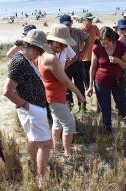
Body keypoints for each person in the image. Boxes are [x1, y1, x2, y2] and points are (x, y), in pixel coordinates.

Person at [3, 29, 52, 189]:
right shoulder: (20, 62)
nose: (40, 53)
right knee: (45, 144)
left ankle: (37, 171)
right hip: (32, 108)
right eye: (39, 50)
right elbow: (7, 91)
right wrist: (27, 106)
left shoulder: (25, 59)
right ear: (31, 46)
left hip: (32, 108)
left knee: (32, 139)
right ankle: (41, 179)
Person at [38, 24, 85, 161]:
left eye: (65, 45)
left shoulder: (43, 53)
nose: (64, 47)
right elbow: (66, 81)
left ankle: (57, 148)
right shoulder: (51, 58)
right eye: (62, 44)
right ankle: (67, 154)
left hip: (52, 94)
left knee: (57, 123)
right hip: (55, 96)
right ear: (53, 42)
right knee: (70, 124)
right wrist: (79, 94)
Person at [86, 26, 126, 133]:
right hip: (101, 82)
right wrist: (90, 85)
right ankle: (108, 129)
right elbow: (92, 68)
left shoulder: (120, 46)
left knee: (123, 105)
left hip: (117, 81)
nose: (104, 44)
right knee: (105, 108)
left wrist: (118, 61)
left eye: (107, 42)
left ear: (113, 39)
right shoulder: (97, 47)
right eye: (102, 42)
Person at [60, 14, 89, 111]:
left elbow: (87, 38)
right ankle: (69, 108)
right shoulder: (59, 35)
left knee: (79, 85)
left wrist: (83, 52)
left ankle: (83, 108)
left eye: (68, 24)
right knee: (66, 87)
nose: (67, 27)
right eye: (64, 25)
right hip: (64, 65)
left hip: (77, 63)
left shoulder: (77, 31)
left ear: (71, 23)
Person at [80, 12, 99, 90]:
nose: (91, 21)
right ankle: (88, 90)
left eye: (92, 19)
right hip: (84, 58)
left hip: (95, 56)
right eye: (89, 19)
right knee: (86, 76)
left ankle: (96, 88)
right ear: (84, 20)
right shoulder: (80, 30)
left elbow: (99, 37)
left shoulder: (94, 27)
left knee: (95, 74)